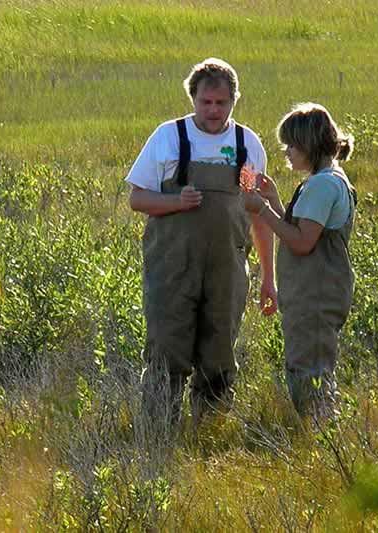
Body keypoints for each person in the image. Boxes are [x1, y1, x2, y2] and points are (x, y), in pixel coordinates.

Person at [126, 58, 276, 428]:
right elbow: (137, 198)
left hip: (226, 271)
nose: (213, 110)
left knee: (219, 353)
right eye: (206, 102)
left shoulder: (246, 145)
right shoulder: (169, 138)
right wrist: (176, 202)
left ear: (234, 101)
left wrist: (269, 276)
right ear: (192, 98)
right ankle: (159, 431)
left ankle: (209, 432)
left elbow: (257, 212)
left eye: (221, 103)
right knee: (166, 349)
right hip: (171, 269)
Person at [243, 102, 356, 417]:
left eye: (291, 145)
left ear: (309, 144)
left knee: (310, 374)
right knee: (310, 367)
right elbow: (300, 229)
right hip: (315, 292)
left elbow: (303, 243)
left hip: (316, 294)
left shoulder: (323, 185)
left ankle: (321, 436)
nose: (287, 151)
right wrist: (275, 200)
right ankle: (321, 432)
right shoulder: (327, 179)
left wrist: (261, 210)